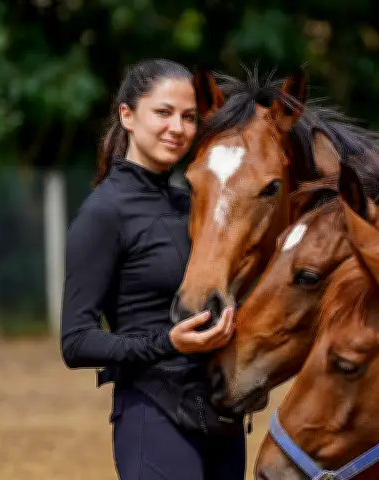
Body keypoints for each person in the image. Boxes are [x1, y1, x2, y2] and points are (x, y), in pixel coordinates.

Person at [60, 58, 246, 480]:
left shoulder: (196, 207)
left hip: (223, 422)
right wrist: (167, 343)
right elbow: (75, 342)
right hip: (153, 417)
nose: (177, 128)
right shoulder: (104, 213)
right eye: (163, 112)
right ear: (127, 115)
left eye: (188, 117)